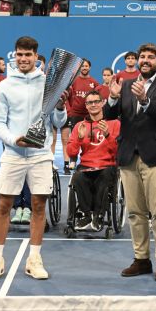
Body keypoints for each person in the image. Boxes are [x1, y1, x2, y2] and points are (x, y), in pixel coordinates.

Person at [0, 36, 68, 281]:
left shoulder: (49, 84)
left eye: (28, 55)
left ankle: (34, 259)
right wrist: (13, 140)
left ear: (36, 57)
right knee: (3, 206)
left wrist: (61, 108)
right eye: (19, 54)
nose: (23, 59)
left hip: (41, 154)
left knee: (39, 207)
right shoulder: (4, 86)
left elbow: (58, 123)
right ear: (14, 55)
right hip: (13, 154)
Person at [105, 43, 156, 282]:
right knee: (136, 213)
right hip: (129, 156)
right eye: (142, 57)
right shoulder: (125, 85)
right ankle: (141, 259)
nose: (145, 60)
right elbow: (110, 116)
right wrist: (113, 98)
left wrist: (146, 100)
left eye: (151, 57)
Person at [67, 90, 120, 230]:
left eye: (96, 101)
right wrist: (79, 138)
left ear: (102, 103)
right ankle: (86, 214)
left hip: (107, 165)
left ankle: (98, 215)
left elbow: (117, 152)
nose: (93, 105)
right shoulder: (80, 126)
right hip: (86, 165)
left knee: (105, 176)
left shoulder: (114, 124)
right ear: (86, 106)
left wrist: (107, 135)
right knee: (77, 177)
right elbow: (71, 153)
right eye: (90, 102)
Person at [65, 59, 100, 173]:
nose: (84, 68)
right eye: (82, 66)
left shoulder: (94, 82)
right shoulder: (73, 81)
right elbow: (68, 97)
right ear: (80, 68)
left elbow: (96, 99)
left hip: (89, 115)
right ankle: (73, 160)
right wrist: (70, 111)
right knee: (75, 139)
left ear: (89, 68)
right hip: (75, 115)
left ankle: (89, 160)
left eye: (86, 66)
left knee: (89, 138)